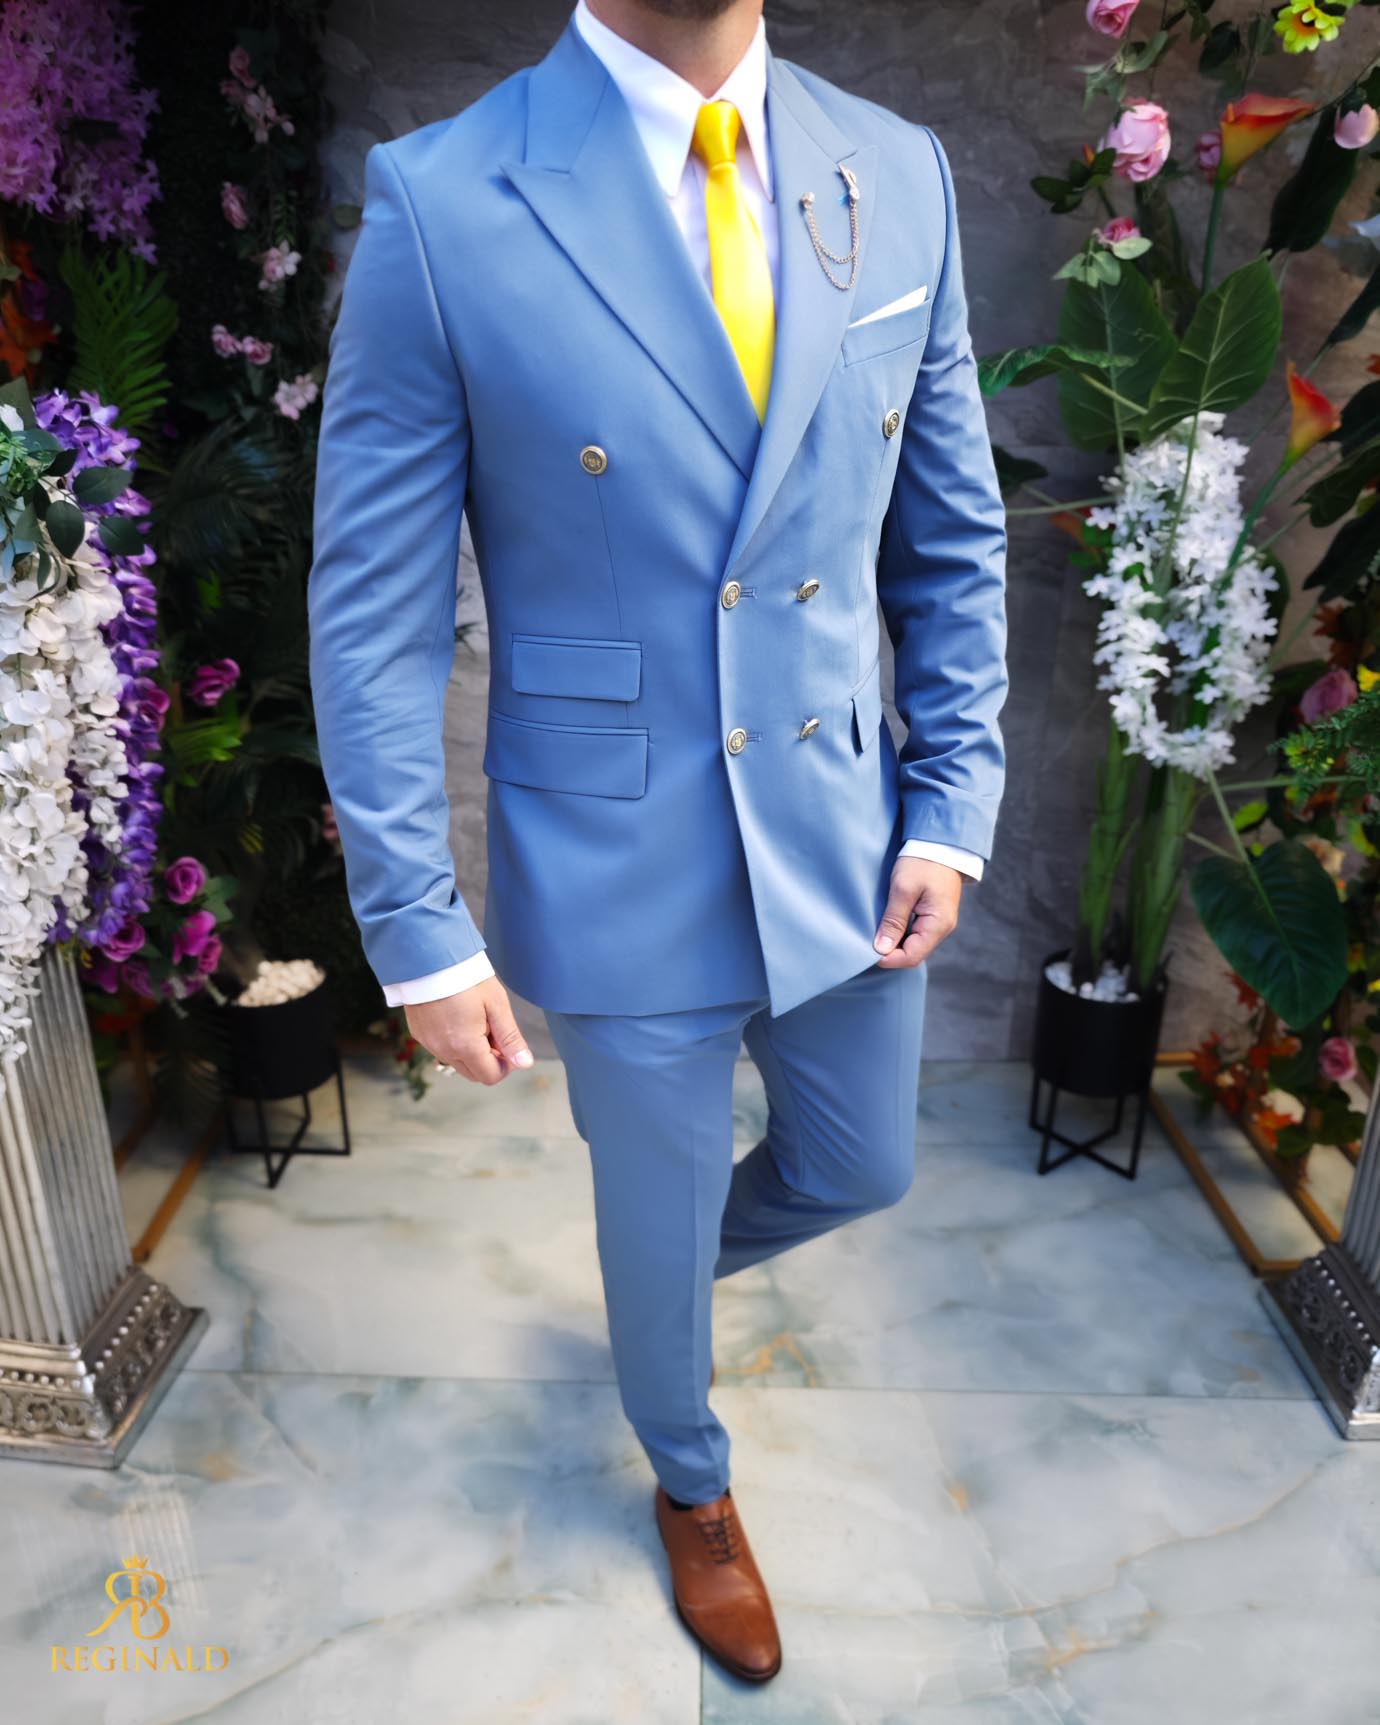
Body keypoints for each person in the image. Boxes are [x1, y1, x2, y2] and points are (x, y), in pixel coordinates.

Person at [307, 0, 1008, 1684]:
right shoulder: (446, 198)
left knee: (859, 1164)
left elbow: (952, 534)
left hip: (843, 821)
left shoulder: (895, 168)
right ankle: (690, 1473)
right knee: (662, 1200)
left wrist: (952, 800)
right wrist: (417, 923)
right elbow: (373, 612)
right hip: (611, 834)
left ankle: (653, 1284)